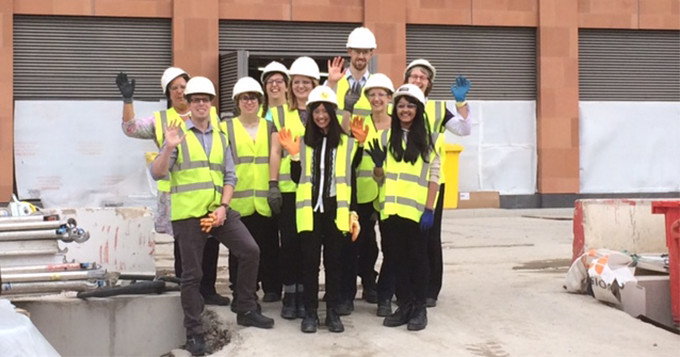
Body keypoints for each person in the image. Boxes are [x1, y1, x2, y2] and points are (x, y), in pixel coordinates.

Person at [150, 76, 274, 356]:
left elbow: (230, 176)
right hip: (189, 215)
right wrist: (168, 146)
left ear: (212, 103)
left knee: (250, 251)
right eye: (195, 100)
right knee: (192, 275)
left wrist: (223, 207)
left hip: (218, 211)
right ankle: (194, 333)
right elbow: (157, 173)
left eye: (205, 100)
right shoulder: (178, 134)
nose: (201, 104)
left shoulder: (220, 136)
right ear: (189, 104)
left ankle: (245, 307)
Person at [115, 68, 229, 306]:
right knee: (184, 244)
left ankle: (208, 289)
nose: (179, 91)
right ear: (168, 93)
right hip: (178, 194)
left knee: (211, 241)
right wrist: (128, 101)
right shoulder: (161, 120)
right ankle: (188, 290)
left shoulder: (212, 113)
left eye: (183, 86)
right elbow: (130, 128)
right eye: (174, 88)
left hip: (210, 192)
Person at [278, 85, 365, 333]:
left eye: (325, 111)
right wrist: (294, 157)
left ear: (333, 113)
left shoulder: (347, 144)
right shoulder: (303, 143)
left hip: (336, 209)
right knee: (309, 263)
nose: (321, 115)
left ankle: (333, 314)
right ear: (311, 114)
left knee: (334, 263)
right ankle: (310, 314)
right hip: (309, 212)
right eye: (316, 111)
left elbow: (352, 178)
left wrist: (353, 212)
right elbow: (297, 179)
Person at [366, 84, 443, 331]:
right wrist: (378, 166)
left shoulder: (431, 139)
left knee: (418, 261)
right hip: (391, 212)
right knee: (396, 260)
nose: (404, 110)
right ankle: (405, 305)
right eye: (400, 105)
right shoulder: (387, 137)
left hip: (417, 213)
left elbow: (435, 176)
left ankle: (419, 308)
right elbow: (380, 178)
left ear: (418, 109)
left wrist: (429, 209)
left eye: (410, 105)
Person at [404, 59, 472, 307]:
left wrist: (461, 103)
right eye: (414, 76)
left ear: (429, 84)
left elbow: (464, 129)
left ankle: (431, 288)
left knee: (430, 236)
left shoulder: (437, 109)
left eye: (423, 77)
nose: (418, 80)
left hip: (432, 182)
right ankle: (408, 284)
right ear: (406, 80)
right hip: (404, 184)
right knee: (407, 236)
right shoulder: (398, 106)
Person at [338, 73, 395, 315]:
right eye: (372, 94)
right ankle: (349, 294)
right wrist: (359, 144)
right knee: (357, 246)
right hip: (362, 193)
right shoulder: (361, 124)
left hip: (391, 195)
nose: (377, 99)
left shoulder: (399, 124)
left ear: (390, 98)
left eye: (382, 94)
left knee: (391, 248)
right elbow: (348, 155)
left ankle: (383, 295)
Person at [221, 77, 281, 304]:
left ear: (260, 101)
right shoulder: (225, 127)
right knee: (240, 251)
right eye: (245, 98)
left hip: (265, 199)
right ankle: (241, 290)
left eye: (254, 98)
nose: (250, 102)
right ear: (237, 101)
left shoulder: (270, 127)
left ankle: (272, 287)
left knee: (269, 246)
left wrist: (274, 187)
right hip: (238, 200)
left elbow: (276, 155)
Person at [269, 56, 320, 320]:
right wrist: (273, 183)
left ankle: (306, 293)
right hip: (289, 189)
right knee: (288, 243)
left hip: (314, 189)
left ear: (314, 84)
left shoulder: (322, 111)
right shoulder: (280, 114)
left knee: (309, 244)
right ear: (291, 86)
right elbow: (276, 152)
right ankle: (291, 295)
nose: (301, 86)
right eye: (297, 82)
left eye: (306, 82)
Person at [327, 26, 377, 130]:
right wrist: (330, 84)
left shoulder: (376, 85)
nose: (361, 56)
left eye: (365, 52)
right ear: (349, 51)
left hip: (366, 143)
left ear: (372, 53)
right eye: (357, 51)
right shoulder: (334, 82)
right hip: (338, 143)